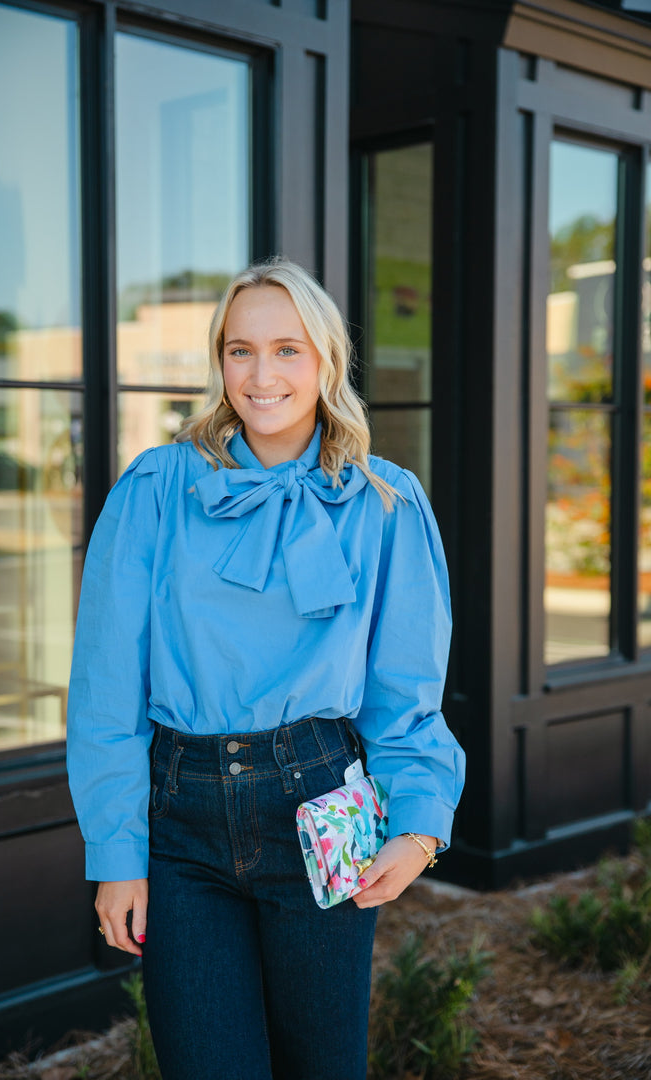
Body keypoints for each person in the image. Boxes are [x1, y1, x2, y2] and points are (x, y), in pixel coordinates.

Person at [66, 257, 465, 1080]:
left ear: (325, 360)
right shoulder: (155, 488)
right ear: (219, 362)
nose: (262, 373)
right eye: (240, 350)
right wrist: (116, 852)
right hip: (180, 820)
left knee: (324, 1066)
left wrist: (420, 825)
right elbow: (105, 688)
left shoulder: (386, 503)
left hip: (322, 803)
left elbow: (406, 696)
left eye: (287, 349)